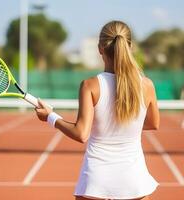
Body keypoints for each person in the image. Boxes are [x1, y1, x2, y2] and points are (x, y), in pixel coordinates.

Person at [34, 21, 159, 200]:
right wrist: (123, 125)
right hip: (135, 184)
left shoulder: (90, 86)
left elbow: (81, 134)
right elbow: (153, 123)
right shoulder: (147, 85)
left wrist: (50, 117)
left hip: (96, 184)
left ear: (100, 49)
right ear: (130, 47)